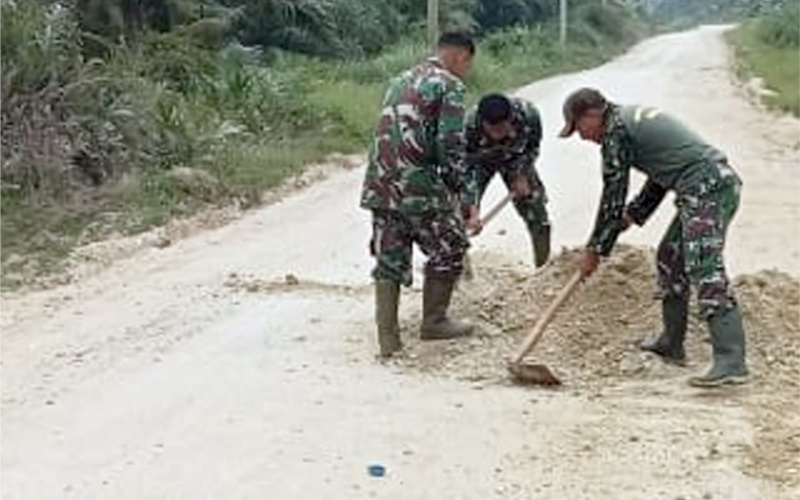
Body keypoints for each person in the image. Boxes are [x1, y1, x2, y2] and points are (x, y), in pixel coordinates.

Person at [559, 87, 749, 387]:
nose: (582, 137)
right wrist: (633, 215)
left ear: (593, 114)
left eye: (579, 128)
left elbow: (613, 192)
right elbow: (660, 175)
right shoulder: (624, 121)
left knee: (704, 266)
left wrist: (596, 247)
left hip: (708, 187)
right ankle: (671, 343)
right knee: (670, 258)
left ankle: (731, 360)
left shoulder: (615, 131)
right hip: (703, 187)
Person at [360, 32, 476, 358]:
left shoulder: (399, 80)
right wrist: (459, 192)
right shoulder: (449, 85)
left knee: (389, 259)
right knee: (451, 246)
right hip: (418, 185)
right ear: (461, 57)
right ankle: (434, 322)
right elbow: (450, 145)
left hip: (380, 182)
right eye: (468, 64)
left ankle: (388, 340)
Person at [462, 93, 551, 267]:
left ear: (511, 119)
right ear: (483, 123)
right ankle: (462, 273)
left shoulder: (529, 115)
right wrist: (472, 205)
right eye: (492, 130)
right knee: (461, 214)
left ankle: (544, 268)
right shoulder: (468, 126)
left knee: (537, 213)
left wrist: (522, 173)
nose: (497, 136)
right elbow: (463, 167)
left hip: (515, 158)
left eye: (502, 130)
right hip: (480, 161)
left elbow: (533, 147)